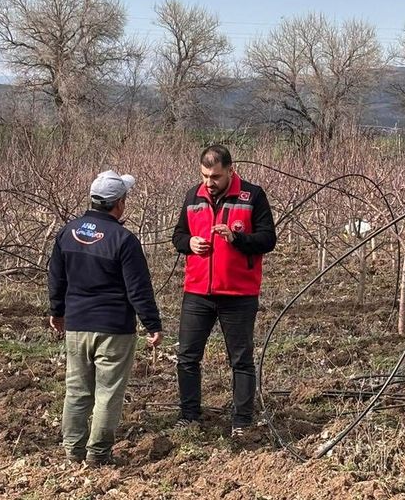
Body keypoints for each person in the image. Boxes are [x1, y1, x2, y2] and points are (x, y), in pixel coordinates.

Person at [48, 170, 163, 466]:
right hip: (114, 329)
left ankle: (73, 451)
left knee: (76, 391)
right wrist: (152, 324)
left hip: (76, 325)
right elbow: (138, 288)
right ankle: (98, 453)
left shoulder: (68, 232)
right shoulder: (124, 240)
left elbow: (56, 278)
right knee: (108, 393)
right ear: (119, 203)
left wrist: (56, 312)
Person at [171, 144, 277, 437]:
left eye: (215, 176)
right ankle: (189, 416)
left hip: (239, 293)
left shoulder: (252, 196)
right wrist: (189, 243)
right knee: (188, 356)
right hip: (197, 291)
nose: (209, 182)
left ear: (230, 170)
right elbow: (177, 236)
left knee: (241, 359)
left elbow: (268, 239)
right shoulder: (193, 197)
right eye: (205, 175)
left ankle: (242, 421)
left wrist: (237, 238)